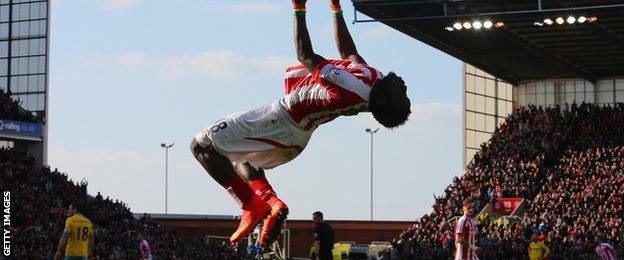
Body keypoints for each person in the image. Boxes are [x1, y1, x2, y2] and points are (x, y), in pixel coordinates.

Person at [189, 0, 411, 247]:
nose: (404, 86)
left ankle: (250, 205)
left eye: (402, 95)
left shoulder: (354, 89)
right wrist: (336, 9)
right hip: (296, 135)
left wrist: (299, 7)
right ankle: (272, 204)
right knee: (242, 157)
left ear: (381, 100)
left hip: (282, 120)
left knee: (201, 146)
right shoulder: (373, 81)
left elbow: (305, 55)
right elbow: (349, 53)